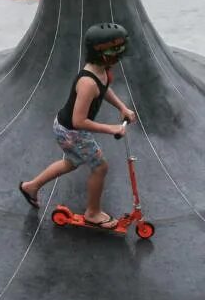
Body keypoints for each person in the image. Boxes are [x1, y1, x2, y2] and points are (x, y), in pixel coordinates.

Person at [18, 22, 137, 228]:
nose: (118, 55)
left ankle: (30, 187)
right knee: (100, 167)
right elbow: (79, 121)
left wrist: (122, 108)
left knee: (71, 162)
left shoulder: (102, 71)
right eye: (114, 50)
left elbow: (104, 89)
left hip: (69, 129)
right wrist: (112, 128)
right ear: (101, 53)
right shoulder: (87, 82)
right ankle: (92, 213)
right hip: (72, 131)